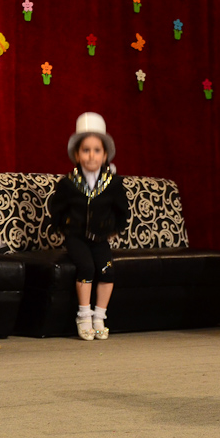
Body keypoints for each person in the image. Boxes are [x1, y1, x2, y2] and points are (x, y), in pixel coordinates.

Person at [47, 113, 129, 341]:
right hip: (76, 237)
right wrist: (62, 227)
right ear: (76, 155)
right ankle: (84, 315)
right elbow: (57, 208)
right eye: (85, 150)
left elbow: (122, 209)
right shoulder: (68, 183)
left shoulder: (113, 183)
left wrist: (115, 227)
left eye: (97, 150)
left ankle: (100, 317)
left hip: (100, 238)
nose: (91, 155)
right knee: (86, 267)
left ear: (105, 155)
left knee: (107, 270)